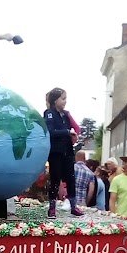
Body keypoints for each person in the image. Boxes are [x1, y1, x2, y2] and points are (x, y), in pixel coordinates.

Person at [43, 88, 83, 218]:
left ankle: (73, 206)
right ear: (55, 100)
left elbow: (76, 128)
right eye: (63, 98)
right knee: (55, 179)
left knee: (71, 179)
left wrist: (73, 135)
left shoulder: (66, 115)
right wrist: (66, 132)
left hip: (67, 151)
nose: (65, 102)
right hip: (56, 152)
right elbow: (50, 131)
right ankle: (52, 208)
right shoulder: (49, 113)